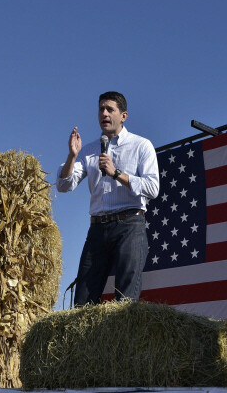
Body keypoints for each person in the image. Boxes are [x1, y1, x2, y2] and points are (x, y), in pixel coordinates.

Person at [57, 91, 159, 306]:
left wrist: (116, 173)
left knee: (125, 300)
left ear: (123, 116)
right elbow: (64, 185)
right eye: (101, 109)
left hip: (130, 225)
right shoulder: (90, 150)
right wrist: (72, 156)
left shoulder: (141, 145)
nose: (104, 113)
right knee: (83, 301)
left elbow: (153, 188)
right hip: (97, 229)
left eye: (110, 109)